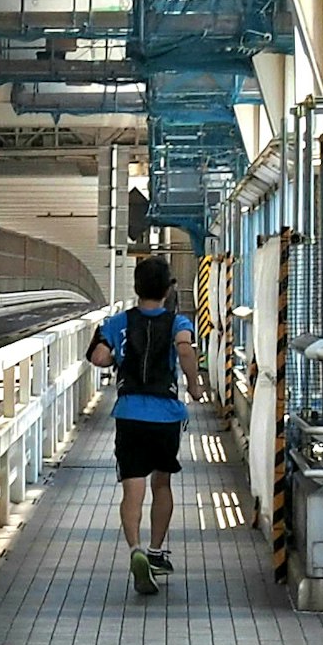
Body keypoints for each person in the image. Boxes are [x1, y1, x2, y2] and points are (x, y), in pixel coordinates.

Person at [89, 255, 205, 595]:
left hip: (129, 413)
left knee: (132, 487)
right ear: (169, 289)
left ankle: (135, 549)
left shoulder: (119, 322)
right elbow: (184, 351)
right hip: (165, 415)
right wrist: (195, 386)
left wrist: (113, 355)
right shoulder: (179, 323)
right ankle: (156, 552)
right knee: (162, 484)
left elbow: (99, 357)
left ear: (136, 288)